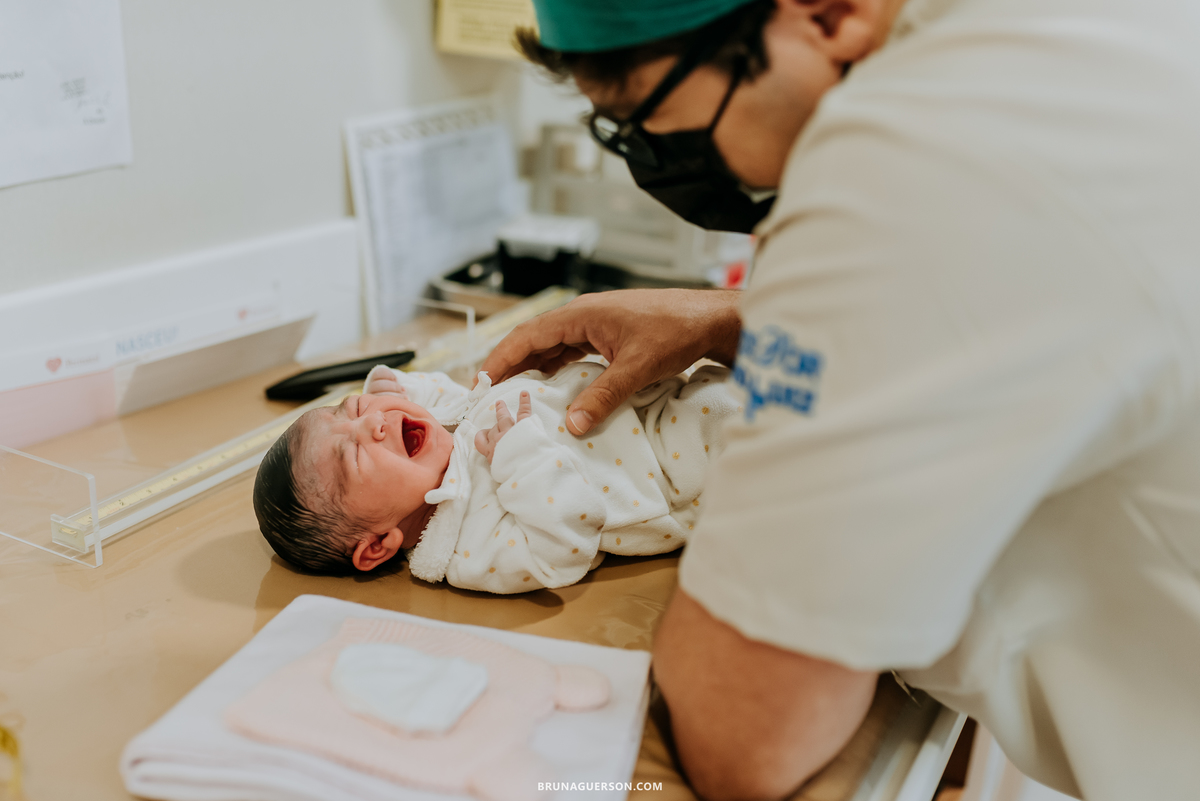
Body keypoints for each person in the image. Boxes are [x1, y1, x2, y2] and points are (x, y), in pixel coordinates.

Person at [480, 0, 1200, 798]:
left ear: (829, 14)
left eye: (650, 122)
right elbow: (1021, 299)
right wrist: (738, 318)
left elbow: (746, 735)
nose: (653, 161)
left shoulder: (908, 160)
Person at [252, 363, 736, 593]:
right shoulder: (469, 547)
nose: (370, 422)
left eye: (349, 409)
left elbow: (443, 397)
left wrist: (391, 389)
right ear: (377, 545)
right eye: (352, 453)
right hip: (692, 467)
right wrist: (520, 460)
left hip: (668, 386)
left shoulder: (436, 436)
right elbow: (566, 546)